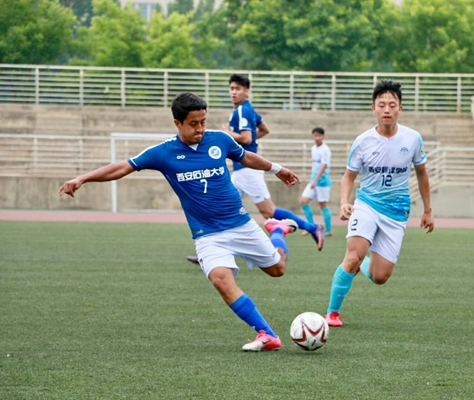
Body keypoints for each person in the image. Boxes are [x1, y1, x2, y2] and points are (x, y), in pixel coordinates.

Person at [59, 92, 301, 351]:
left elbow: (246, 157)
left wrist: (278, 169)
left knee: (278, 270)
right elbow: (122, 167)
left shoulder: (220, 140)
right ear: (178, 123)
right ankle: (267, 334)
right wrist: (82, 178)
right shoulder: (163, 153)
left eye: (203, 122)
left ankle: (278, 230)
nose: (200, 129)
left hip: (240, 224)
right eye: (193, 124)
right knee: (221, 280)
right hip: (208, 235)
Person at [323, 80, 435, 327]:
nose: (387, 109)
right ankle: (332, 313)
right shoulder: (363, 141)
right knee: (352, 256)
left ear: (400, 109)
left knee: (380, 276)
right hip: (366, 204)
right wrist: (344, 202)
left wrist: (428, 210)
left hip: (396, 210)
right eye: (381, 104)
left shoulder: (413, 139)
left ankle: (364, 263)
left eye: (392, 105)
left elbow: (422, 174)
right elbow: (348, 176)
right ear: (373, 108)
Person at [186, 74, 323, 268]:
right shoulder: (247, 109)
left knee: (269, 212)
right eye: (231, 88)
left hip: (247, 170)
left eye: (238, 89)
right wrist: (243, 142)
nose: (234, 92)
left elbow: (247, 138)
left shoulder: (242, 110)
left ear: (247, 91)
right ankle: (210, 252)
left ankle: (310, 228)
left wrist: (227, 134)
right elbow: (264, 129)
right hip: (241, 170)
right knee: (220, 208)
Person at [300, 127, 333, 237]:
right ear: (312, 136)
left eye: (319, 136)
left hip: (322, 182)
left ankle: (328, 230)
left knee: (323, 205)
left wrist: (316, 180)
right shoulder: (313, 148)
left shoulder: (325, 150)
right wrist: (313, 180)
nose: (317, 138)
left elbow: (324, 166)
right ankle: (311, 228)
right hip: (313, 181)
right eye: (315, 135)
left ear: (323, 136)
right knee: (303, 201)